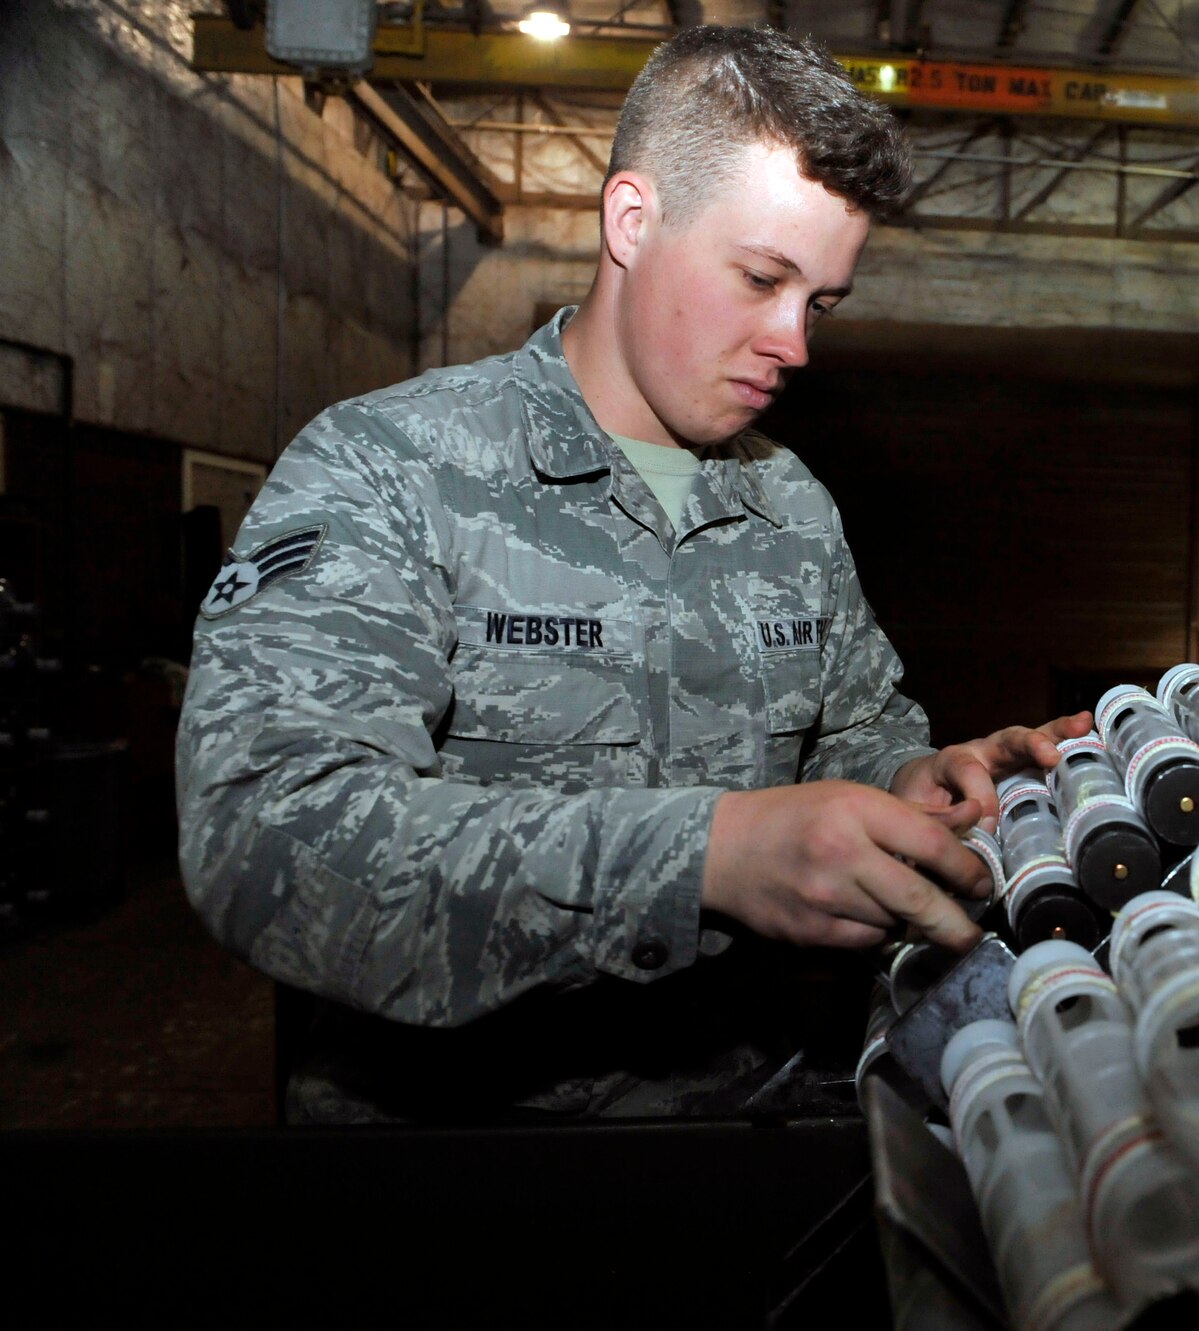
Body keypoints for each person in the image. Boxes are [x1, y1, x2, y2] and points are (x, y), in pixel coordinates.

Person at [176, 25, 1088, 1122]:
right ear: (631, 218)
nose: (794, 342)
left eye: (822, 302)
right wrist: (701, 858)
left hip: (737, 1124)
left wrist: (911, 781)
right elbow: (267, 845)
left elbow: (854, 729)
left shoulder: (788, 502)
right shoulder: (388, 469)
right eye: (760, 278)